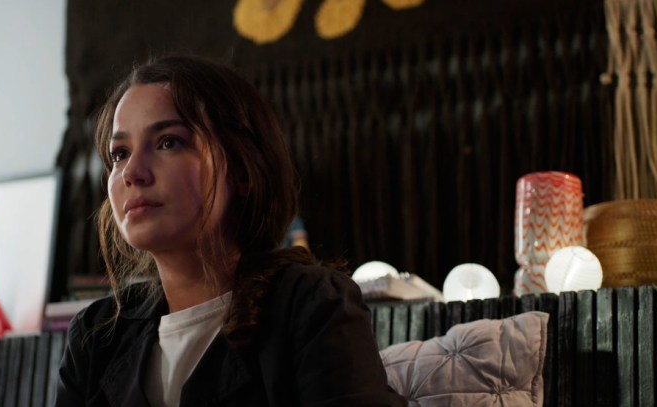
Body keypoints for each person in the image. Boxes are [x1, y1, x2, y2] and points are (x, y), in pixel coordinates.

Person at [55, 54, 405, 407]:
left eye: (168, 142)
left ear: (241, 170)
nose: (132, 172)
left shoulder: (312, 305)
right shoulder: (95, 336)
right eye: (120, 153)